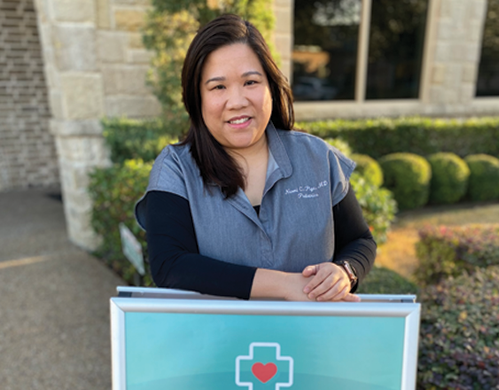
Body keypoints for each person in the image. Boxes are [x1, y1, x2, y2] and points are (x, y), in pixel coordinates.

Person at [136, 15, 375, 302]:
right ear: (196, 98)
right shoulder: (176, 169)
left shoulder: (317, 158)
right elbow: (170, 265)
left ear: (271, 87)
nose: (237, 101)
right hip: (221, 343)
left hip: (312, 340)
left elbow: (359, 241)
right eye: (218, 87)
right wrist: (287, 286)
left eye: (250, 82)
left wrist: (344, 272)